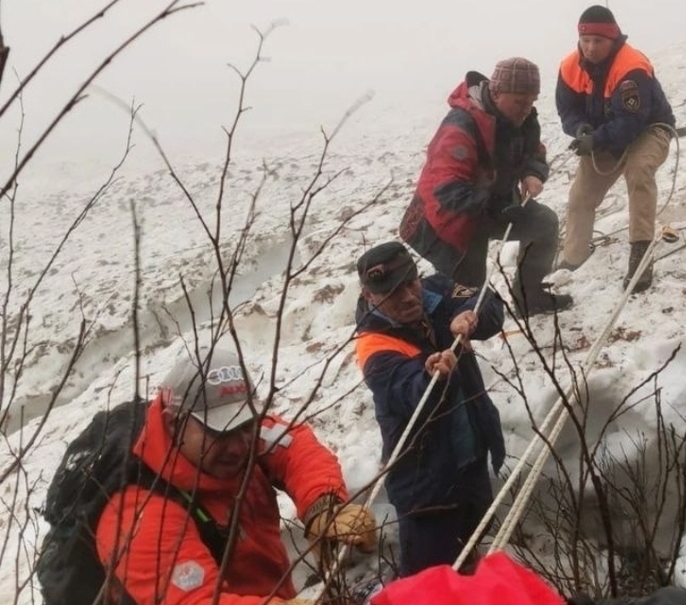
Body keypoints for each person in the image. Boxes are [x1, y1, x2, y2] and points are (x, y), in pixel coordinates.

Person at [92, 346, 378, 605]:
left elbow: (294, 446)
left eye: (246, 424)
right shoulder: (140, 515)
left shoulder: (239, 440)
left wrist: (322, 505)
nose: (239, 445)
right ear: (173, 425)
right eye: (222, 431)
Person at [354, 241, 506, 577]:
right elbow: (410, 393)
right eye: (394, 293)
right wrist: (432, 373)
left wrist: (469, 316)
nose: (408, 296)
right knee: (429, 581)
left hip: (471, 462)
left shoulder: (436, 289)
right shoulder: (373, 347)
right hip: (426, 486)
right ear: (370, 296)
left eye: (410, 282)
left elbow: (487, 300)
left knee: (471, 557)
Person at [399, 56, 572, 317]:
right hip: (448, 222)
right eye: (519, 101)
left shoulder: (521, 120)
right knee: (466, 293)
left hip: (492, 208)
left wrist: (533, 173)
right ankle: (447, 344)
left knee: (544, 224)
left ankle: (529, 297)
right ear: (497, 92)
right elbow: (449, 191)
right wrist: (498, 208)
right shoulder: (460, 127)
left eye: (531, 101)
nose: (526, 108)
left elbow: (534, 151)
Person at [556, 5, 676, 292]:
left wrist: (595, 140)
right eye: (586, 40)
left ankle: (641, 253)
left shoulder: (631, 67)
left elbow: (631, 121)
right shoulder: (568, 67)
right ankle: (574, 257)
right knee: (581, 196)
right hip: (603, 135)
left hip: (649, 129)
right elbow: (567, 110)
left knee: (639, 171)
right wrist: (579, 128)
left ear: (613, 39)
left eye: (598, 41)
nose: (591, 48)